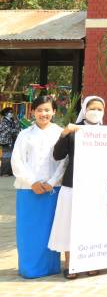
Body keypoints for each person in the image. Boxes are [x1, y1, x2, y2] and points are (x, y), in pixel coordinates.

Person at [49, 95, 105, 279]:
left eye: (99, 109)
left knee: (93, 225)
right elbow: (57, 155)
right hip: (72, 185)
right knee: (69, 224)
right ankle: (70, 264)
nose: (95, 112)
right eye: (92, 108)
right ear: (85, 109)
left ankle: (92, 261)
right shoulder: (74, 130)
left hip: (96, 188)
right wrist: (64, 133)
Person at [10, 95, 65, 278]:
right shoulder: (25, 134)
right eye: (40, 110)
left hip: (52, 189)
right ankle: (31, 269)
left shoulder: (60, 132)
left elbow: (64, 162)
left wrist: (51, 182)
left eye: (47, 110)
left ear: (54, 112)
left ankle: (50, 267)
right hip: (28, 190)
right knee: (29, 231)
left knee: (50, 229)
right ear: (33, 111)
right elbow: (16, 161)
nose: (44, 113)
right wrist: (31, 181)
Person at [0, 106, 21, 175]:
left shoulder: (12, 120)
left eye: (12, 112)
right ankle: (4, 172)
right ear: (6, 113)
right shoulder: (3, 121)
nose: (12, 114)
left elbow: (18, 127)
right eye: (10, 112)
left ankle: (10, 171)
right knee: (6, 156)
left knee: (12, 156)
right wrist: (16, 130)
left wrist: (16, 120)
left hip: (12, 140)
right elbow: (10, 130)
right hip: (6, 141)